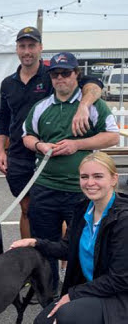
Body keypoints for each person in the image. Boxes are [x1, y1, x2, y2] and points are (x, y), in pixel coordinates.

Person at [11, 152, 128, 324]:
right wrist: (36, 242)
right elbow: (67, 248)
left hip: (121, 295)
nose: (90, 183)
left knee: (67, 315)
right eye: (84, 177)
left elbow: (121, 279)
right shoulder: (84, 208)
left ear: (113, 179)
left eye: (97, 176)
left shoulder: (123, 218)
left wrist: (73, 295)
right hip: (99, 291)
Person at [23, 52, 119, 291]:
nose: (60, 78)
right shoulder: (41, 107)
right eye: (55, 74)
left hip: (81, 191)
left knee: (79, 244)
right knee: (45, 246)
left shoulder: (92, 105)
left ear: (76, 74)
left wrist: (77, 144)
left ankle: (78, 291)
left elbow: (113, 136)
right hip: (45, 187)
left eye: (66, 73)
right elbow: (27, 136)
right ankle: (47, 292)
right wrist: (39, 145)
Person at [0, 26, 103, 239]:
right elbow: (4, 120)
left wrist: (84, 106)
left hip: (51, 157)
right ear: (17, 49)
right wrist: (1, 151)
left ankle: (62, 257)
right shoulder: (8, 83)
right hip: (20, 154)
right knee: (28, 210)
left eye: (32, 46)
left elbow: (94, 84)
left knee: (55, 211)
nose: (27, 51)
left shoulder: (55, 73)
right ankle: (29, 259)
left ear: (40, 48)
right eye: (22, 46)